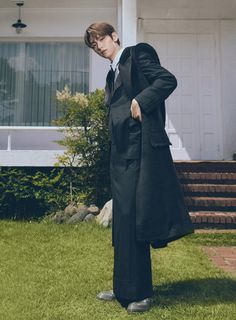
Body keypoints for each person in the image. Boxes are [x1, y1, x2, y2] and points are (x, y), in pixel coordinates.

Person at [84, 22, 194, 313]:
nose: (98, 47)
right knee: (122, 222)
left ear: (114, 36)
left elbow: (167, 80)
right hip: (120, 157)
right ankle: (122, 287)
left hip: (141, 153)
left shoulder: (136, 55)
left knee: (137, 220)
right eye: (93, 45)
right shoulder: (111, 75)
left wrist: (140, 100)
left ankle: (141, 292)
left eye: (100, 40)